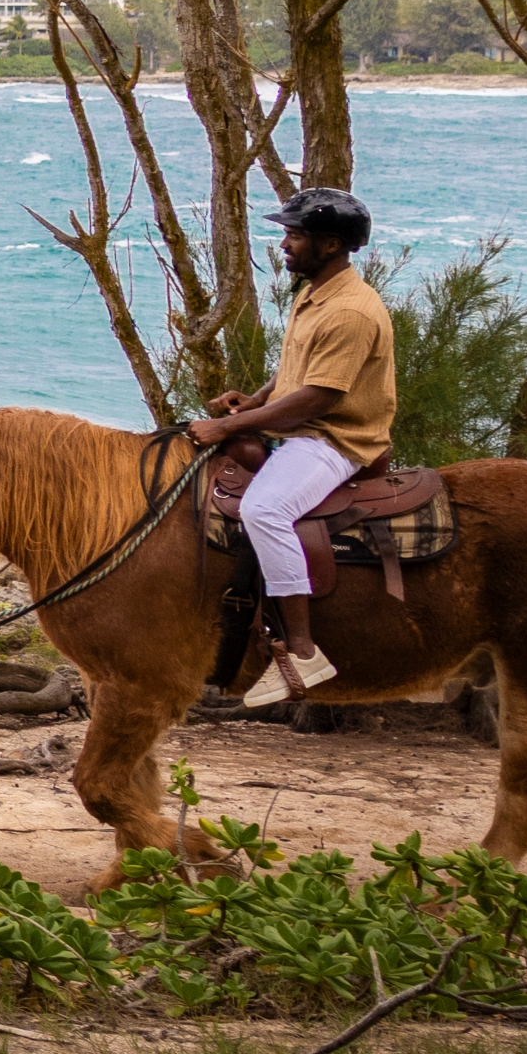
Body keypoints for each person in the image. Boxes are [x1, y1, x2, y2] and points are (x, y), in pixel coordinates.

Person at [187, 184, 395, 704]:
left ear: (331, 244)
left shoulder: (350, 312)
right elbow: (296, 369)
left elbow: (319, 398)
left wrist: (227, 427)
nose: (284, 244)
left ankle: (302, 651)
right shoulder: (314, 291)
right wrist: (254, 400)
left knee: (264, 510)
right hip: (303, 427)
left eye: (295, 236)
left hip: (334, 439)